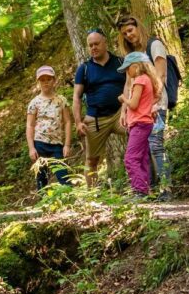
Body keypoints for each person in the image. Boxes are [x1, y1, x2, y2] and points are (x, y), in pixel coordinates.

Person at [117, 15, 173, 200]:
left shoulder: (154, 45)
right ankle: (148, 189)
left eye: (130, 30)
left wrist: (155, 105)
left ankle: (166, 189)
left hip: (156, 106)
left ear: (138, 26)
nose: (128, 35)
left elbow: (161, 75)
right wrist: (124, 111)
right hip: (138, 110)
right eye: (125, 34)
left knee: (156, 146)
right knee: (143, 151)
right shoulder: (131, 57)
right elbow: (128, 84)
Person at [72, 29, 125, 187]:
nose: (93, 48)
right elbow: (76, 97)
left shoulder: (121, 63)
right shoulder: (85, 69)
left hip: (120, 114)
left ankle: (148, 183)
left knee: (141, 139)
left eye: (96, 44)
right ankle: (92, 194)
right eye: (90, 45)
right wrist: (78, 122)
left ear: (105, 43)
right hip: (95, 119)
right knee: (92, 159)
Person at [117, 51, 160, 198]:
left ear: (135, 66)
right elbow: (150, 100)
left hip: (140, 124)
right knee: (141, 158)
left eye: (127, 68)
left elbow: (133, 104)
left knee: (131, 158)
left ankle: (140, 190)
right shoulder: (148, 79)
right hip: (144, 122)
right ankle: (146, 189)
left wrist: (123, 99)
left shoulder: (140, 80)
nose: (127, 72)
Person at [26, 65, 72, 190]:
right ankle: (43, 203)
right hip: (39, 143)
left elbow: (68, 122)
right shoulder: (34, 102)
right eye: (42, 80)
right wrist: (31, 148)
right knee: (41, 176)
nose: (46, 82)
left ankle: (70, 198)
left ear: (54, 80)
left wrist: (67, 145)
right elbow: (30, 125)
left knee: (63, 174)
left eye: (49, 79)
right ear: (38, 82)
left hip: (57, 144)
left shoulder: (61, 100)